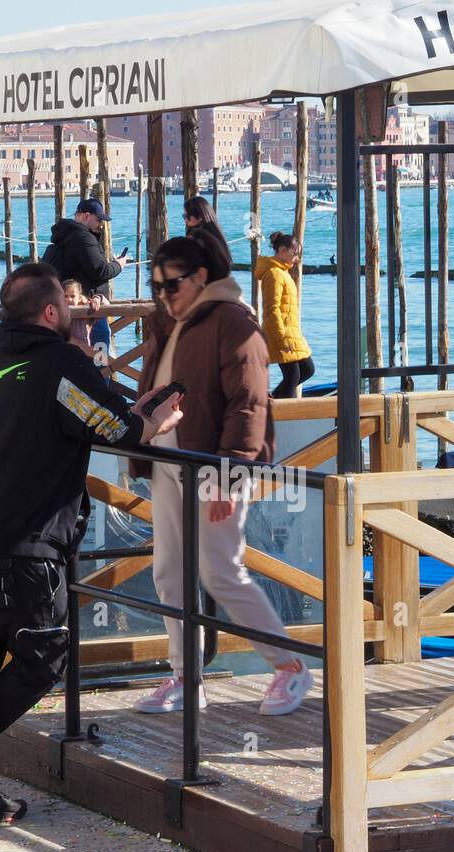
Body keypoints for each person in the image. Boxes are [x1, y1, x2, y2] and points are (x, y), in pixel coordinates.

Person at [0, 262, 183, 830]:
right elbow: (115, 429)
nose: (77, 310)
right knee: (45, 658)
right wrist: (153, 424)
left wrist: (113, 403)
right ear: (49, 313)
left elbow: (67, 415)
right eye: (69, 303)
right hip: (23, 542)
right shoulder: (61, 362)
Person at [133, 229, 312, 717]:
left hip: (213, 468)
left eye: (171, 285)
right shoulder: (171, 323)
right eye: (157, 286)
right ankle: (186, 677)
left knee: (221, 572)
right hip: (172, 464)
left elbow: (250, 404)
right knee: (169, 573)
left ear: (201, 277)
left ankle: (291, 666)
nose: (163, 295)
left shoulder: (234, 322)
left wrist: (230, 477)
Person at [41, 197, 127, 360]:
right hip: (88, 312)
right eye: (99, 219)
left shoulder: (65, 236)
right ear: (87, 216)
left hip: (69, 312)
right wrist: (119, 265)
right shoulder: (83, 237)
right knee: (99, 360)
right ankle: (100, 384)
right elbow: (100, 270)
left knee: (74, 363)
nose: (101, 224)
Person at [255, 231, 315, 399]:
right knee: (292, 375)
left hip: (291, 332)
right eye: (294, 254)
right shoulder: (274, 274)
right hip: (281, 332)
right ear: (282, 251)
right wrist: (281, 337)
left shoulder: (283, 272)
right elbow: (271, 309)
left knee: (307, 370)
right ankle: (281, 415)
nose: (296, 258)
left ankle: (272, 402)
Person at [182, 195, 232, 260]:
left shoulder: (198, 238)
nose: (185, 219)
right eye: (184, 216)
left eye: (187, 216)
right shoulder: (217, 236)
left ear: (200, 217)